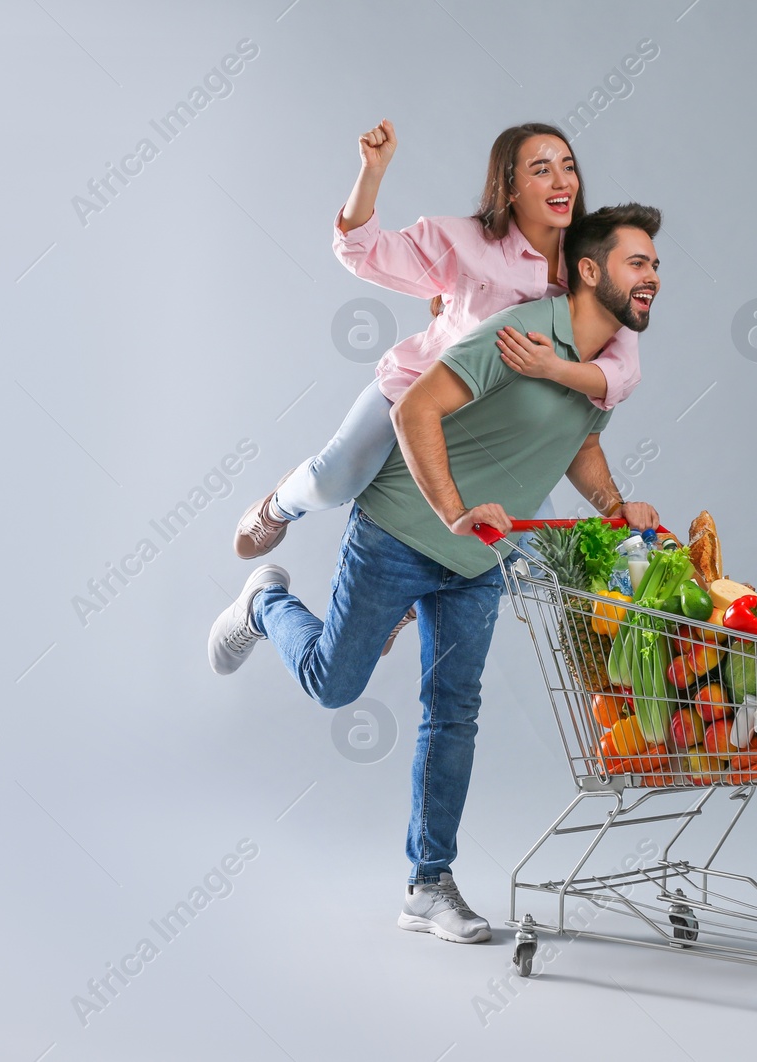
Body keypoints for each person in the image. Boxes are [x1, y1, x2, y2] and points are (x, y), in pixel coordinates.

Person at [208, 203, 665, 944]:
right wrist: (453, 509)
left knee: (453, 712)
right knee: (335, 685)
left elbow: (579, 442)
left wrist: (616, 503)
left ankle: (428, 885)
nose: (652, 278)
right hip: (399, 532)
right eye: (638, 263)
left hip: (481, 560)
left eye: (654, 266)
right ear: (590, 270)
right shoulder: (518, 335)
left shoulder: (605, 366)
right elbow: (413, 410)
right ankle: (265, 603)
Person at [234, 119, 643, 654]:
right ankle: (278, 505)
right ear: (511, 186)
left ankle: (408, 597)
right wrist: (372, 173)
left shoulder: (588, 262)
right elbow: (364, 251)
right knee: (337, 478)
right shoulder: (466, 241)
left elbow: (622, 367)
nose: (562, 181)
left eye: (568, 167)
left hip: (501, 433)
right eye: (541, 170)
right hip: (419, 394)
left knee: (532, 541)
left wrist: (557, 371)